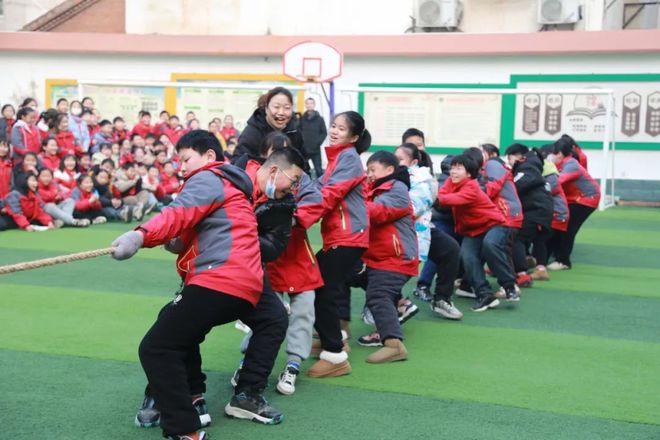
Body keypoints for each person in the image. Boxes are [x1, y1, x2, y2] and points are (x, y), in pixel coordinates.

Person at [113, 130, 270, 440]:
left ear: (209, 157)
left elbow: (176, 213)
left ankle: (186, 430)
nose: (181, 167)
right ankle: (194, 397)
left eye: (185, 159)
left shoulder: (208, 178)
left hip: (220, 279)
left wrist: (140, 235)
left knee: (156, 347)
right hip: (242, 284)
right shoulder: (231, 186)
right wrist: (177, 242)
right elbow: (199, 230)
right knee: (173, 327)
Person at [307, 111, 371, 379]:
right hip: (341, 235)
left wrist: (299, 216)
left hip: (349, 236)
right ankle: (330, 337)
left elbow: (328, 195)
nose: (334, 131)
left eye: (341, 129)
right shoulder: (337, 158)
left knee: (321, 288)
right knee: (323, 286)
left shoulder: (348, 158)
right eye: (333, 126)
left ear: (353, 137)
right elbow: (317, 187)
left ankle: (335, 354)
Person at [350, 151, 417, 363]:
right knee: (342, 273)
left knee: (378, 294)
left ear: (389, 170)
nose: (368, 174)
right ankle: (336, 332)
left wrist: (349, 202)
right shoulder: (371, 190)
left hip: (395, 258)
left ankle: (394, 344)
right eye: (367, 170)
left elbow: (377, 212)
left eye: (373, 170)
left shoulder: (397, 189)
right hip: (377, 258)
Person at [437, 154, 519, 312]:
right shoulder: (450, 182)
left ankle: (509, 286)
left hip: (495, 224)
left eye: (458, 168)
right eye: (452, 168)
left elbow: (452, 199)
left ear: (469, 174)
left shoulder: (471, 187)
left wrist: (434, 198)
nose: (453, 171)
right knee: (467, 256)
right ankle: (485, 294)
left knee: (491, 245)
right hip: (473, 230)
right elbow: (444, 194)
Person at [396, 143, 462, 320]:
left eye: (420, 143)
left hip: (420, 229)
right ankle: (389, 304)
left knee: (450, 249)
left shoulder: (422, 177)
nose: (397, 162)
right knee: (393, 274)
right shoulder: (391, 175)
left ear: (415, 159)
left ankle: (441, 299)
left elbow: (419, 205)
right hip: (398, 231)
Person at [547, 138, 600, 270]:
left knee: (568, 228)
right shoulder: (563, 163)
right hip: (573, 198)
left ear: (559, 153)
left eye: (552, 153)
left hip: (586, 199)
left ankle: (563, 261)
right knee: (559, 225)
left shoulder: (571, 164)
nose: (550, 156)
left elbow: (557, 181)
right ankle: (553, 255)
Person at [504, 143, 553, 283]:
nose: (509, 162)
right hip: (545, 209)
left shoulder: (526, 167)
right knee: (539, 239)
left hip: (535, 209)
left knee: (516, 237)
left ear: (519, 156)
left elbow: (518, 184)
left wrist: (507, 189)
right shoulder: (534, 165)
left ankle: (521, 273)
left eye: (510, 157)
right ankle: (541, 269)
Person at [234, 87, 305, 166]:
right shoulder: (252, 133)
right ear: (266, 108)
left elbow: (303, 165)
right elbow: (237, 164)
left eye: (287, 108)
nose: (281, 112)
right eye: (276, 107)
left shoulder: (294, 132)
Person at [531, 144, 570, 280]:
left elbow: (549, 188)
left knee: (541, 239)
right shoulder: (545, 167)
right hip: (552, 211)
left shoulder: (547, 168)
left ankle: (541, 266)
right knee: (542, 239)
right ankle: (538, 264)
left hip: (556, 212)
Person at [300, 97, 327, 178]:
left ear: (314, 105)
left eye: (311, 103)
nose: (309, 105)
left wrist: (317, 142)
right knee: (304, 171)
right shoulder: (302, 119)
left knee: (319, 171)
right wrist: (302, 143)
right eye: (307, 103)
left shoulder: (320, 119)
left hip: (315, 149)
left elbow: (324, 133)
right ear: (305, 105)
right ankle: (306, 188)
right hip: (304, 149)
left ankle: (321, 189)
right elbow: (299, 131)